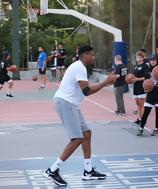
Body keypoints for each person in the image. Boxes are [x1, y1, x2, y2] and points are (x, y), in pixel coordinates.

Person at [43, 45, 118, 186]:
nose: (93, 57)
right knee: (77, 138)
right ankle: (52, 170)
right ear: (84, 55)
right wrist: (106, 82)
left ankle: (88, 171)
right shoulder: (79, 67)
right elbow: (87, 91)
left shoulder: (79, 66)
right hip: (66, 103)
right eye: (91, 55)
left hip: (72, 104)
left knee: (86, 134)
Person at [137, 54, 158, 136]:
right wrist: (146, 87)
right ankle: (141, 128)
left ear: (156, 61)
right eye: (151, 60)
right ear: (149, 61)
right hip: (150, 93)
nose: (152, 61)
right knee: (146, 112)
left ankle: (156, 129)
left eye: (154, 60)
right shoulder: (147, 69)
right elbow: (145, 82)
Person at [132, 51, 151, 125]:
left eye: (140, 57)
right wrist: (132, 80)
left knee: (141, 104)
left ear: (143, 58)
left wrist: (137, 79)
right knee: (137, 104)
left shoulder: (145, 66)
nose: (138, 59)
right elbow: (133, 76)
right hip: (135, 87)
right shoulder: (135, 66)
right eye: (137, 57)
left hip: (142, 87)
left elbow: (146, 77)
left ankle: (142, 120)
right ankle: (138, 119)